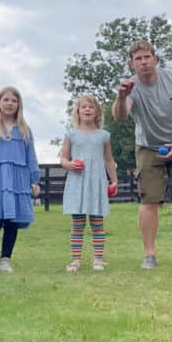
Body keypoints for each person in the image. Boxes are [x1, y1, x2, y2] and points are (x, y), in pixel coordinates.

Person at [111, 39, 172, 269]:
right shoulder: (131, 88)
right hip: (148, 147)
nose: (143, 62)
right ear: (132, 64)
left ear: (155, 59)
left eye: (147, 57)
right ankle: (149, 255)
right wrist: (121, 96)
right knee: (149, 200)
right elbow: (120, 116)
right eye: (138, 59)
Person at [0, 87, 41, 276]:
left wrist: (35, 180)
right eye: (6, 100)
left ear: (19, 104)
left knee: (12, 220)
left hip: (18, 179)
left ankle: (5, 260)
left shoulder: (25, 130)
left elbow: (31, 157)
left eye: (14, 100)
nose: (10, 103)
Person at [60, 94, 119, 273]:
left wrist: (114, 180)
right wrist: (70, 165)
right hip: (77, 182)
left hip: (96, 182)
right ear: (77, 111)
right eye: (83, 106)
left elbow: (109, 160)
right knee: (77, 223)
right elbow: (63, 159)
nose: (87, 109)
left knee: (97, 222)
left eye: (91, 107)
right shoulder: (71, 135)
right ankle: (76, 260)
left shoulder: (104, 136)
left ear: (97, 112)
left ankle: (98, 259)